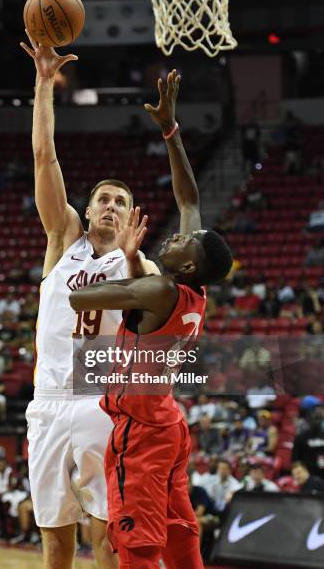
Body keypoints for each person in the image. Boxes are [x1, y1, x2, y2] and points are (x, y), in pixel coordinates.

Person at [70, 70, 233, 569]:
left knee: (137, 545)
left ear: (185, 264)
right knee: (183, 536)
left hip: (141, 429)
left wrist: (126, 259)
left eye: (182, 241)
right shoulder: (191, 290)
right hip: (169, 425)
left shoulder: (160, 287)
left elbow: (83, 300)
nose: (177, 235)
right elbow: (189, 200)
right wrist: (170, 131)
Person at [20, 30, 158, 569]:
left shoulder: (139, 263)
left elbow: (151, 300)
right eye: (103, 197)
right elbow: (43, 158)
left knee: (107, 536)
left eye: (120, 202)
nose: (109, 205)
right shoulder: (63, 242)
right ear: (90, 205)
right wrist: (43, 83)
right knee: (55, 540)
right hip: (49, 401)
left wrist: (128, 259)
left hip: (102, 402)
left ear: (129, 217)